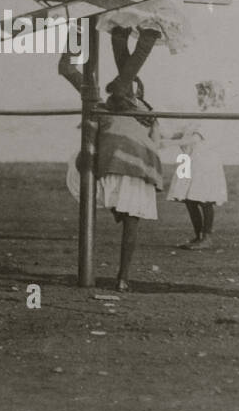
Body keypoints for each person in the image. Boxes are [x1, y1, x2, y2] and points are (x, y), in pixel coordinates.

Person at [60, 53, 163, 291]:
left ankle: (123, 277)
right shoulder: (114, 108)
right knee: (129, 218)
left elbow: (66, 69)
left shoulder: (125, 109)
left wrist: (71, 49)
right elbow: (155, 143)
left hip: (125, 165)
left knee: (127, 216)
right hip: (130, 165)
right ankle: (122, 278)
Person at [164, 81, 230, 249]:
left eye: (203, 94)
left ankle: (206, 236)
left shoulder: (214, 115)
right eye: (199, 94)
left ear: (212, 96)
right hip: (189, 158)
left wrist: (168, 144)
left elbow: (195, 138)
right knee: (189, 199)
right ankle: (198, 235)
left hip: (203, 161)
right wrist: (165, 137)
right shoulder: (199, 115)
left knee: (204, 198)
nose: (199, 97)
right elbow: (183, 132)